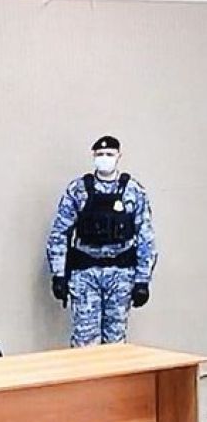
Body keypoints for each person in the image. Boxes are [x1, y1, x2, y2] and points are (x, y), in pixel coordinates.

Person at [46, 136, 157, 347]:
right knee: (85, 342)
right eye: (100, 154)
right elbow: (59, 234)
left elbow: (146, 237)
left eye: (109, 154)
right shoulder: (78, 190)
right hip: (85, 275)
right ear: (93, 156)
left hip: (121, 276)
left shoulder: (133, 191)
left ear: (119, 156)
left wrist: (142, 280)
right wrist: (58, 275)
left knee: (116, 342)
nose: (105, 158)